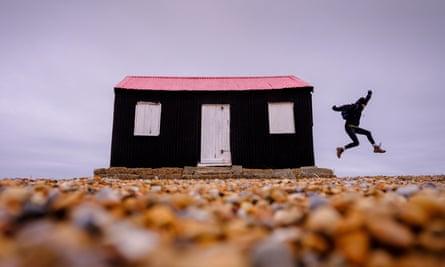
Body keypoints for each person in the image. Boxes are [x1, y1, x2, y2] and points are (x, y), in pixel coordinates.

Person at [332, 90, 386, 158]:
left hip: (355, 127)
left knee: (367, 134)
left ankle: (375, 148)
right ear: (359, 104)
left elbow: (366, 100)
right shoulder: (351, 106)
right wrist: (335, 108)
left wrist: (369, 94)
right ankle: (341, 149)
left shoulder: (361, 106)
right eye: (363, 106)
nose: (363, 107)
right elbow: (342, 108)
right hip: (348, 127)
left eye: (364, 106)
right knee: (357, 142)